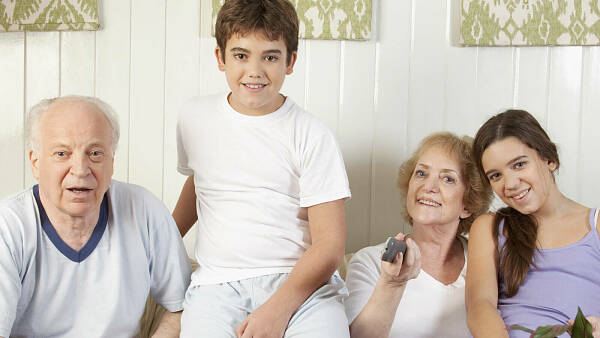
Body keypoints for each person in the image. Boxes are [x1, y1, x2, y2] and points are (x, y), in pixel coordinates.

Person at [173, 0, 351, 337]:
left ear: (290, 62)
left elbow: (329, 246)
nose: (255, 71)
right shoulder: (193, 118)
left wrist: (278, 309)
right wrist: (162, 242)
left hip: (301, 285)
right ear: (220, 58)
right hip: (216, 285)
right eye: (241, 55)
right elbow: (201, 183)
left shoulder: (312, 135)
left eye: (270, 56)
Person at [0, 96, 191, 338]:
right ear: (35, 163)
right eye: (61, 153)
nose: (80, 170)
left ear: (111, 162)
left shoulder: (143, 209)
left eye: (95, 153)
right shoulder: (8, 226)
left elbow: (184, 306)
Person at [466, 109, 600, 337]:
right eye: (495, 175)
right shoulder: (490, 226)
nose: (510, 184)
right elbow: (480, 305)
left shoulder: (595, 225)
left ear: (549, 159)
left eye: (518, 165)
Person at [344, 132, 493, 338]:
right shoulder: (368, 262)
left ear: (468, 204)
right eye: (421, 174)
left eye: (448, 179)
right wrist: (392, 284)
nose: (428, 187)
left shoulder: (485, 261)